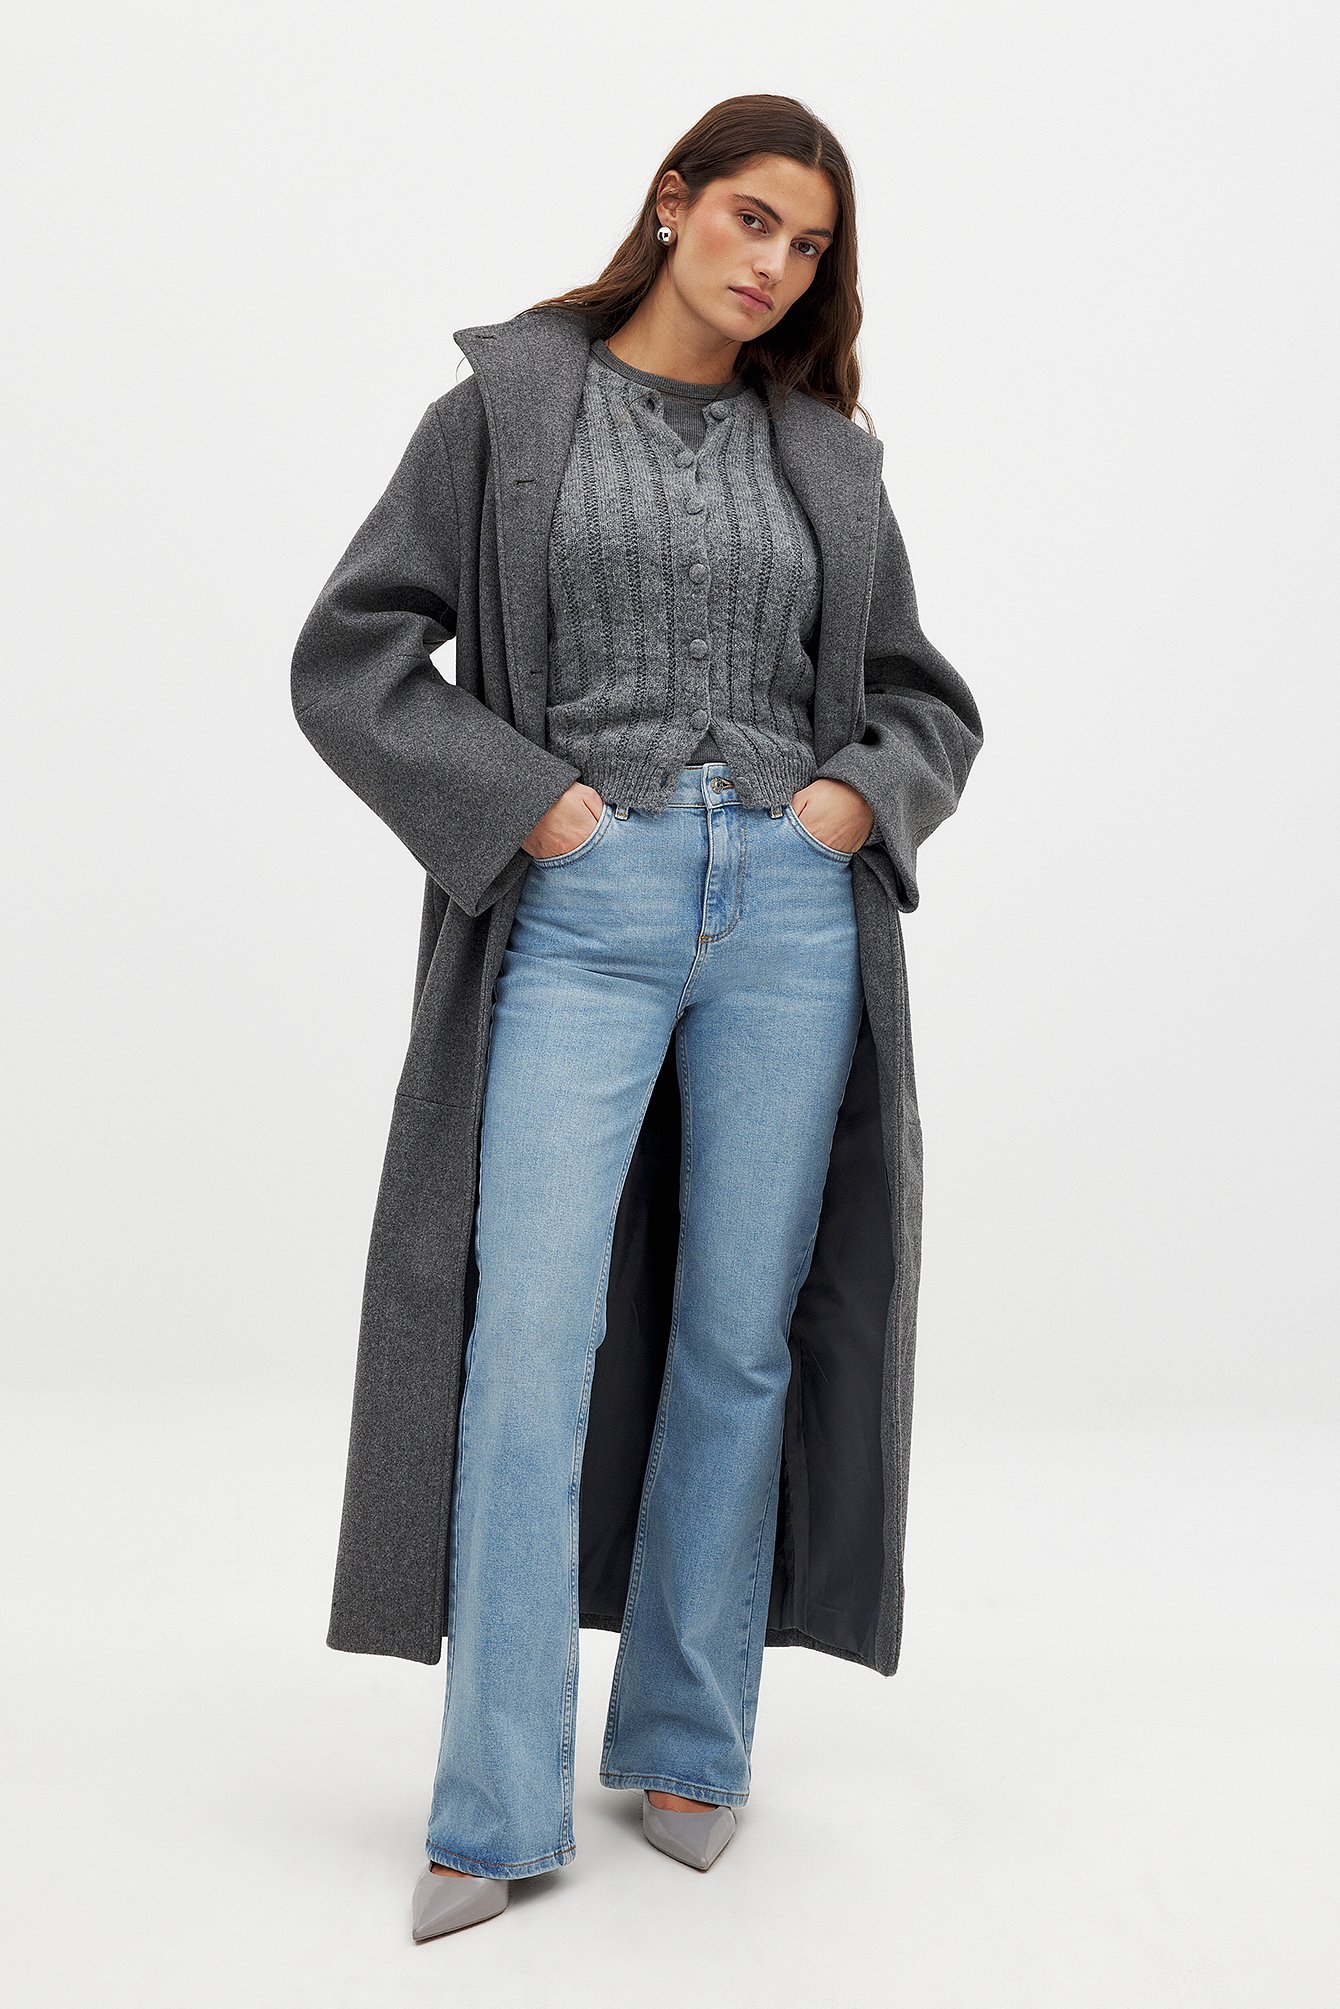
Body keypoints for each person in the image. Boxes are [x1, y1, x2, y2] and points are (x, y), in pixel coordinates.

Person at [290, 93, 984, 1945]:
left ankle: (688, 1734)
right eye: (753, 219)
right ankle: (495, 1797)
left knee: (740, 1339)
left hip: (789, 919)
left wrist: (847, 805)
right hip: (580, 914)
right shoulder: (507, 411)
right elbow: (351, 655)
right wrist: (528, 803)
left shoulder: (827, 457)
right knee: (530, 1337)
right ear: (673, 205)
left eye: (810, 247)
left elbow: (925, 702)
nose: (776, 266)